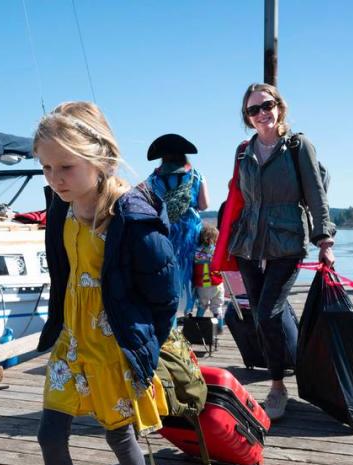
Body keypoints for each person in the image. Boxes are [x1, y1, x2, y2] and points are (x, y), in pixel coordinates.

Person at [25, 101, 179, 465]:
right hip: (73, 341)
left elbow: (165, 294)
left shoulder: (133, 218)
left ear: (102, 160)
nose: (56, 178)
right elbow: (65, 272)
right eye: (47, 168)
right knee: (50, 434)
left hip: (113, 344)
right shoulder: (62, 209)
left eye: (66, 166)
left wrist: (143, 350)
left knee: (120, 435)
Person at [224, 83, 336, 421]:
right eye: (253, 110)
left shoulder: (299, 146)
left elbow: (316, 195)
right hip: (247, 244)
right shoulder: (243, 151)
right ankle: (287, 364)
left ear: (279, 107)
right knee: (258, 315)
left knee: (270, 313)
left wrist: (324, 240)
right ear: (247, 117)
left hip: (286, 243)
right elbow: (237, 199)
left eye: (266, 105)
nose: (261, 114)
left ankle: (277, 387)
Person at [144, 133, 210, 314]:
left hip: (164, 230)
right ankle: (187, 309)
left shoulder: (152, 180)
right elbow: (204, 204)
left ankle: (169, 310)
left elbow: (149, 206)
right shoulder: (196, 176)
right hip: (190, 233)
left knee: (167, 269)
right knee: (190, 271)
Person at [193, 222, 224, 323]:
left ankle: (198, 323)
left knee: (202, 304)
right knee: (217, 307)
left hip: (204, 283)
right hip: (217, 283)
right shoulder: (216, 251)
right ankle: (219, 327)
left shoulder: (197, 251)